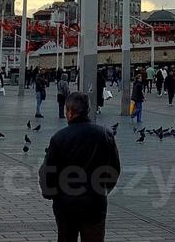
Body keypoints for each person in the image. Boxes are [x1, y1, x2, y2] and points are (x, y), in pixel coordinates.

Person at [40, 91, 121, 242]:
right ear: (87, 111)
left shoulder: (59, 138)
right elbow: (114, 169)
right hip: (95, 201)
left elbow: (48, 172)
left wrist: (51, 193)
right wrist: (104, 189)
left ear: (70, 112)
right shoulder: (105, 134)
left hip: (65, 203)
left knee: (66, 237)